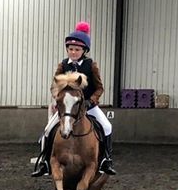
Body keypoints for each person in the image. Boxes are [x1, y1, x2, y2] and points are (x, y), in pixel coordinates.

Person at [31, 21, 116, 176]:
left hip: (88, 106)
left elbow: (99, 88)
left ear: (84, 50)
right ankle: (44, 162)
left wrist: (92, 101)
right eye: (70, 49)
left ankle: (105, 160)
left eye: (77, 49)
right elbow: (54, 85)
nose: (73, 52)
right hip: (67, 108)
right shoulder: (63, 65)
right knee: (48, 130)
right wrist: (58, 98)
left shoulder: (91, 65)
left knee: (107, 126)